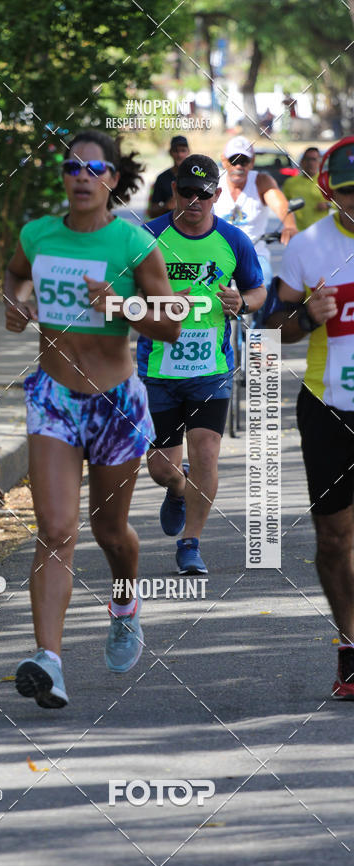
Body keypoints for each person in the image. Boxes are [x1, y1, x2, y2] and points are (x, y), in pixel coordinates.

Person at [4, 130, 181, 709]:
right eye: (71, 167)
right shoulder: (38, 233)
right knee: (56, 530)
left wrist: (122, 305)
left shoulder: (134, 245)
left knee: (110, 533)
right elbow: (15, 273)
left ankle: (126, 602)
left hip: (115, 404)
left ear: (111, 179)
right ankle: (48, 661)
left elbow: (169, 325)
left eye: (93, 168)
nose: (80, 177)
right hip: (53, 396)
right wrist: (16, 303)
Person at [139, 154, 266, 575]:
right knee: (162, 468)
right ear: (174, 191)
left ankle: (191, 543)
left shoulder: (234, 240)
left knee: (207, 453)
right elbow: (120, 296)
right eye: (186, 191)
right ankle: (178, 488)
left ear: (216, 194)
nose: (195, 200)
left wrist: (242, 303)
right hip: (159, 370)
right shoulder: (148, 237)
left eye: (204, 193)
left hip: (211, 370)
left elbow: (258, 291)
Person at [268, 137, 354, 698]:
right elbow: (273, 329)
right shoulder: (310, 247)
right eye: (350, 193)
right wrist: (305, 315)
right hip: (328, 408)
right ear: (331, 192)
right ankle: (351, 650)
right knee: (333, 539)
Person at [214, 135, 298, 289]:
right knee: (209, 287)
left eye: (244, 161)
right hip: (219, 254)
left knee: (264, 282)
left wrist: (289, 225)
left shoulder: (261, 181)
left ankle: (261, 313)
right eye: (234, 160)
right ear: (224, 161)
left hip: (255, 254)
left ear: (252, 163)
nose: (238, 166)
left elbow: (280, 204)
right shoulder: (214, 183)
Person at [283, 147, 332, 231]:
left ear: (320, 162)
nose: (310, 163)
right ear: (302, 162)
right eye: (307, 159)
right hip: (298, 232)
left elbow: (342, 202)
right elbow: (283, 206)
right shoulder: (290, 182)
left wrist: (328, 205)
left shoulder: (327, 181)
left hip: (321, 231)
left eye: (314, 159)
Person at [146, 135, 190, 219]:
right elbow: (151, 212)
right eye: (176, 151)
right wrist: (166, 206)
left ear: (188, 152)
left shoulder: (196, 176)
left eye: (183, 151)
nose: (179, 154)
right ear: (170, 152)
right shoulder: (162, 178)